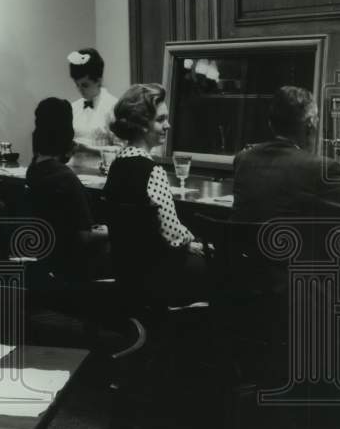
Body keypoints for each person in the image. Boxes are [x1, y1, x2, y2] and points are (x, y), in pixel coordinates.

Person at [103, 83, 208, 307]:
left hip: (128, 273)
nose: (168, 125)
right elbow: (172, 236)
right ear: (142, 125)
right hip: (160, 276)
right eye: (161, 120)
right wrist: (193, 241)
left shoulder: (116, 166)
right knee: (221, 268)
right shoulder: (152, 170)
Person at [233, 86, 340, 221]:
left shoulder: (243, 159)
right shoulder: (321, 169)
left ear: (270, 124)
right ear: (310, 124)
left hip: (248, 242)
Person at [25, 98, 109, 285]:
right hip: (77, 264)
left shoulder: (33, 170)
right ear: (67, 134)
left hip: (49, 257)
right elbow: (84, 237)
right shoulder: (65, 178)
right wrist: (112, 231)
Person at [66, 48, 119, 155]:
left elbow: (122, 149)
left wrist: (88, 149)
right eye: (77, 85)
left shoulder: (114, 107)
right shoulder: (73, 108)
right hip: (73, 169)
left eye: (85, 85)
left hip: (101, 170)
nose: (80, 90)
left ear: (99, 80)